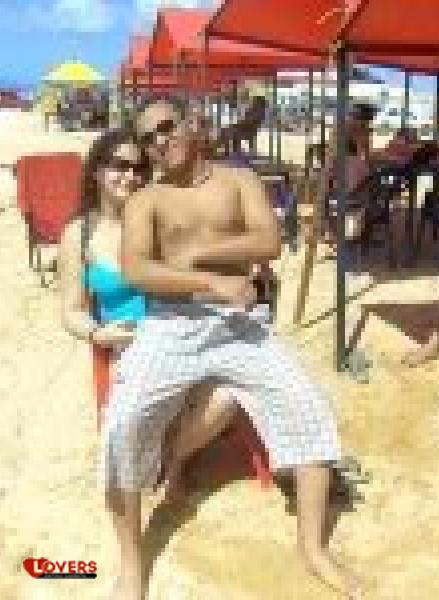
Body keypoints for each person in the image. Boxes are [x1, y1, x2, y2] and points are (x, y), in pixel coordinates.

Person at [99, 101, 363, 600]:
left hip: (240, 326)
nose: (158, 143)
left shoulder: (239, 181)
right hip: (172, 324)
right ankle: (132, 566)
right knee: (124, 422)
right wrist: (210, 282)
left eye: (166, 128)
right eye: (148, 138)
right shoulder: (148, 199)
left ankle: (313, 548)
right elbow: (136, 268)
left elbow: (268, 241)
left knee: (308, 406)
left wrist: (196, 253)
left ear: (192, 123)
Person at [58, 127, 253, 581]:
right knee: (127, 430)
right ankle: (132, 561)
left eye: (139, 168)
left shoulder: (160, 220)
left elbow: (207, 266)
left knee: (228, 396)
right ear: (97, 171)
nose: (130, 175)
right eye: (120, 166)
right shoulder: (79, 234)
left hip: (179, 336)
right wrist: (98, 332)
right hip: (123, 345)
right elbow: (70, 310)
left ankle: (168, 458)